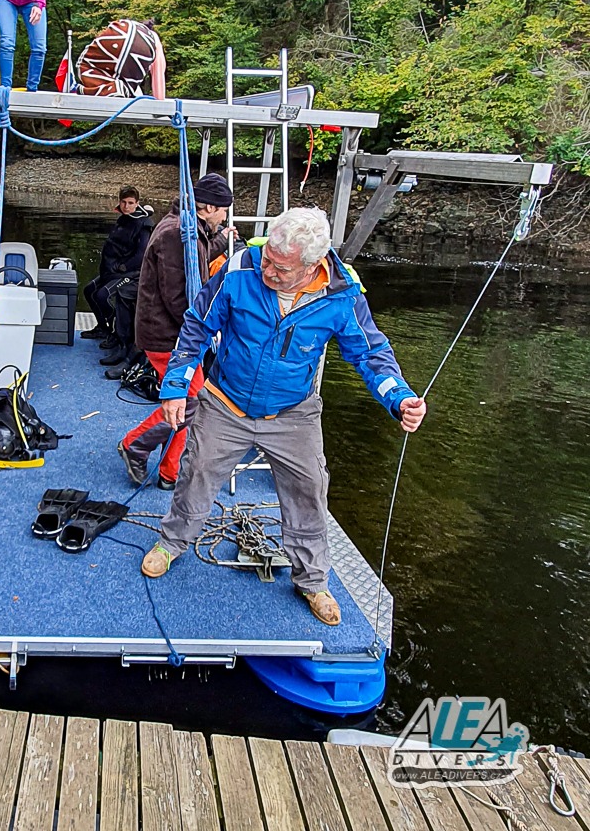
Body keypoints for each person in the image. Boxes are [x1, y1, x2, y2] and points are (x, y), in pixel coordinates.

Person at [140, 207, 427, 627]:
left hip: (293, 413)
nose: (269, 268)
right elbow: (197, 326)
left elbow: (369, 353)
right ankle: (172, 541)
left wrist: (399, 398)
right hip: (226, 401)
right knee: (196, 471)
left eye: (280, 266)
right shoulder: (241, 268)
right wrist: (176, 384)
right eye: (268, 258)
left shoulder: (343, 295)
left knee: (309, 490)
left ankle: (312, 580)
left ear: (313, 265)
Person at [116, 173, 233, 490]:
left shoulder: (184, 228)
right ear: (208, 207)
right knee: (191, 401)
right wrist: (206, 330)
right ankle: (135, 445)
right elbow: (177, 295)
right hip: (167, 335)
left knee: (190, 399)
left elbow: (192, 264)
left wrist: (220, 240)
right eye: (223, 211)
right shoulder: (176, 234)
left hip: (170, 332)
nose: (224, 217)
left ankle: (170, 473)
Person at [81, 185, 154, 363]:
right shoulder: (123, 219)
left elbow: (142, 253)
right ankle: (102, 328)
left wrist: (123, 267)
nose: (126, 206)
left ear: (137, 203)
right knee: (89, 290)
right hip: (110, 268)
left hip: (129, 272)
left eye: (130, 203)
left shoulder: (144, 224)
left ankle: (115, 330)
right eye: (123, 202)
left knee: (102, 295)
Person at [75, 19, 166, 99]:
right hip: (133, 42)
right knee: (128, 87)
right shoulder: (153, 38)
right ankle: (115, 91)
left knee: (86, 66)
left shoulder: (131, 25)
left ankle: (108, 90)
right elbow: (158, 73)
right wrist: (160, 103)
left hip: (115, 37)